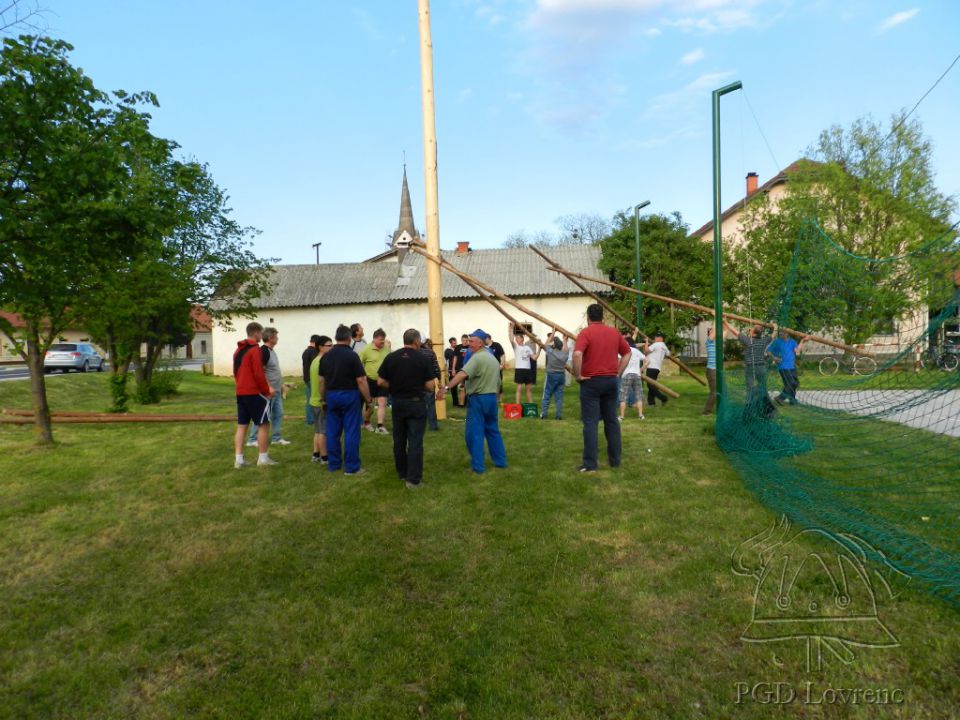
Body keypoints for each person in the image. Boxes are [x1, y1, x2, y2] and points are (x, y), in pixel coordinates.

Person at [439, 329, 507, 474]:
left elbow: (462, 374)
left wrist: (446, 387)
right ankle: (500, 462)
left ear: (480, 343)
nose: (469, 344)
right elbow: (498, 382)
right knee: (493, 431)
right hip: (491, 398)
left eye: (471, 341)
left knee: (474, 433)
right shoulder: (493, 359)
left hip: (478, 398)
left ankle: (478, 467)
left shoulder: (477, 358)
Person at [573, 304, 631, 473]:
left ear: (588, 317)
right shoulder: (614, 332)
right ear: (602, 317)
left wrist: (578, 375)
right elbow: (627, 353)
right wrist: (618, 373)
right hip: (611, 381)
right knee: (611, 421)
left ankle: (590, 464)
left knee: (590, 423)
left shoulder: (585, 333)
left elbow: (577, 354)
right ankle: (615, 461)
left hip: (591, 381)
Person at [378, 329, 436, 488]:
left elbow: (380, 381)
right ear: (417, 342)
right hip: (416, 403)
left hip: (398, 402)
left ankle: (402, 472)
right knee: (415, 441)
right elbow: (431, 386)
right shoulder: (422, 358)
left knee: (399, 439)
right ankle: (413, 479)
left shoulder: (391, 357)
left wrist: (394, 386)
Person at [320, 324, 372, 474]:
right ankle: (351, 467)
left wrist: (324, 399)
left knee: (332, 432)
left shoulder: (326, 356)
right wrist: (368, 400)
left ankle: (334, 464)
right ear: (349, 338)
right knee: (351, 431)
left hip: (331, 395)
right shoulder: (352, 356)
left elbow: (322, 381)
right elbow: (361, 380)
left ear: (336, 338)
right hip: (349, 395)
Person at [232, 322, 277, 468]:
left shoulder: (238, 351)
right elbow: (258, 373)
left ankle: (239, 460)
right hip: (254, 393)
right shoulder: (255, 350)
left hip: (241, 392)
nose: (262, 335)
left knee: (242, 426)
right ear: (256, 333)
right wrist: (266, 391)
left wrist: (240, 385)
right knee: (263, 424)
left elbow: (235, 372)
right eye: (261, 333)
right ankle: (263, 458)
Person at [245, 327, 289, 446]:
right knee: (262, 416)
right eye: (276, 336)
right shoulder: (263, 351)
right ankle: (252, 439)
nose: (278, 338)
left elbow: (273, 370)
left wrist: (280, 385)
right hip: (267, 392)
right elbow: (260, 371)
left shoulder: (271, 351)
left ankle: (276, 438)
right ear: (270, 338)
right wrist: (268, 387)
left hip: (276, 390)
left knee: (278, 414)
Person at [724, 319, 775, 416]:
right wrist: (775, 327)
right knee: (763, 387)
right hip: (761, 368)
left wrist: (724, 321)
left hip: (751, 368)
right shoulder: (764, 341)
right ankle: (769, 410)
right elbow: (773, 336)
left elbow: (734, 330)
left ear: (753, 333)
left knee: (750, 389)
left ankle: (748, 411)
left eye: (751, 329)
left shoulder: (748, 341)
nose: (749, 330)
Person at [359, 328, 391, 433]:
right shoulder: (366, 350)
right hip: (370, 381)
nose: (383, 342)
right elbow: (358, 364)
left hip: (383, 380)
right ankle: (367, 422)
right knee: (370, 404)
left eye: (384, 339)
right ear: (374, 339)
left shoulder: (387, 348)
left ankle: (380, 426)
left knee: (382, 402)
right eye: (381, 340)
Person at [768, 328, 810, 405]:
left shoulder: (792, 342)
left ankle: (792, 400)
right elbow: (769, 351)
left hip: (791, 366)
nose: (781, 334)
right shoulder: (777, 341)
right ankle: (780, 398)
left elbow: (797, 351)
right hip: (782, 366)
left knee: (795, 383)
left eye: (783, 332)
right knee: (791, 382)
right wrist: (774, 358)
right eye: (780, 332)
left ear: (788, 333)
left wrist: (802, 341)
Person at [308, 335, 333, 464]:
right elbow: (322, 382)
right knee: (323, 430)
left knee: (317, 429)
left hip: (313, 400)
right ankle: (324, 457)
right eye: (329, 345)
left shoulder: (315, 360)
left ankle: (316, 454)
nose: (332, 347)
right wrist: (324, 400)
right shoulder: (322, 362)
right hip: (320, 400)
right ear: (321, 347)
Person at [540, 332, 569, 420]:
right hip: (561, 376)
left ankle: (544, 414)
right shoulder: (564, 354)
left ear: (554, 345)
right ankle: (558, 415)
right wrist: (565, 340)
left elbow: (546, 344)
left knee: (547, 394)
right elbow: (566, 349)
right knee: (559, 396)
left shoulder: (550, 352)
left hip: (551, 375)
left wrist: (553, 332)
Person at [618, 338, 648, 421]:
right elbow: (647, 361)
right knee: (638, 396)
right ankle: (641, 415)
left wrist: (618, 371)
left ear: (626, 343)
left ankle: (622, 416)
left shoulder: (623, 350)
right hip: (637, 375)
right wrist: (640, 370)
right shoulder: (637, 351)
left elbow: (619, 360)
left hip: (626, 374)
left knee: (623, 396)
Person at [510, 324, 539, 404]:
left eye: (518, 338)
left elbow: (534, 358)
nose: (516, 340)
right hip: (519, 369)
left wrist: (539, 349)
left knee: (529, 389)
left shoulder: (527, 348)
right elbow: (511, 339)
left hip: (528, 370)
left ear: (522, 339)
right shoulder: (516, 347)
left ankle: (530, 405)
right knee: (519, 388)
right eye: (516, 338)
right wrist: (511, 328)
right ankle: (517, 405)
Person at [419, 337, 443, 431]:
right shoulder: (430, 353)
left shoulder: (413, 352)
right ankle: (433, 426)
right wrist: (440, 380)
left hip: (416, 382)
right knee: (431, 405)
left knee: (418, 404)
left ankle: (419, 425)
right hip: (429, 381)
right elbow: (436, 368)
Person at [643, 332, 671, 407]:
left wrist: (646, 342)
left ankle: (663, 398)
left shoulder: (656, 344)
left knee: (650, 385)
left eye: (656, 337)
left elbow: (646, 351)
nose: (655, 338)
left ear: (660, 338)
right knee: (652, 385)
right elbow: (668, 354)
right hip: (657, 368)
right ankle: (651, 403)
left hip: (651, 366)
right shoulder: (664, 346)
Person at [302, 334, 322, 426]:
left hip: (307, 378)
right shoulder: (313, 352)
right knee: (314, 399)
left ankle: (309, 419)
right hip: (312, 379)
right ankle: (311, 419)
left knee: (309, 399)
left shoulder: (305, 351)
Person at [485, 334, 506, 403]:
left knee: (498, 384)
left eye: (484, 339)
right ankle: (491, 399)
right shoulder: (484, 347)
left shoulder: (497, 345)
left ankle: (499, 399)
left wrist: (502, 364)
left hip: (497, 368)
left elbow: (502, 355)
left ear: (488, 338)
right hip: (487, 369)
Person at [702, 326, 718, 415]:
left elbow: (725, 331)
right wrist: (716, 317)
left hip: (718, 370)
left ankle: (721, 409)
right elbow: (715, 330)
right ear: (709, 334)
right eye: (711, 331)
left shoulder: (718, 342)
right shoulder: (709, 341)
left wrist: (724, 320)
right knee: (714, 392)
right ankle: (706, 412)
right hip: (712, 370)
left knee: (723, 391)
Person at [444, 337, 462, 407]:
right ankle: (455, 403)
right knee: (453, 387)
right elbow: (445, 362)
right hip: (451, 371)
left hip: (459, 370)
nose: (455, 344)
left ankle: (462, 402)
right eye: (454, 343)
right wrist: (447, 371)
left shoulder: (459, 349)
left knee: (462, 387)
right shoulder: (447, 351)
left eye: (456, 342)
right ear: (450, 343)